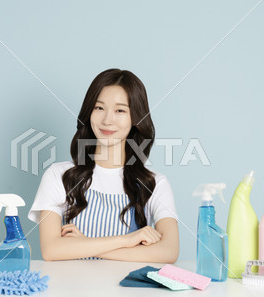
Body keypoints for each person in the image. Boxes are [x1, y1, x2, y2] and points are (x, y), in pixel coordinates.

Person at [28, 68, 179, 262]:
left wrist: (84, 244)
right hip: (69, 291)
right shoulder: (59, 175)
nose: (107, 120)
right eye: (99, 108)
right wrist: (128, 239)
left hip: (128, 292)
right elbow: (51, 249)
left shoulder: (154, 183)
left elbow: (169, 252)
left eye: (120, 110)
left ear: (135, 118)